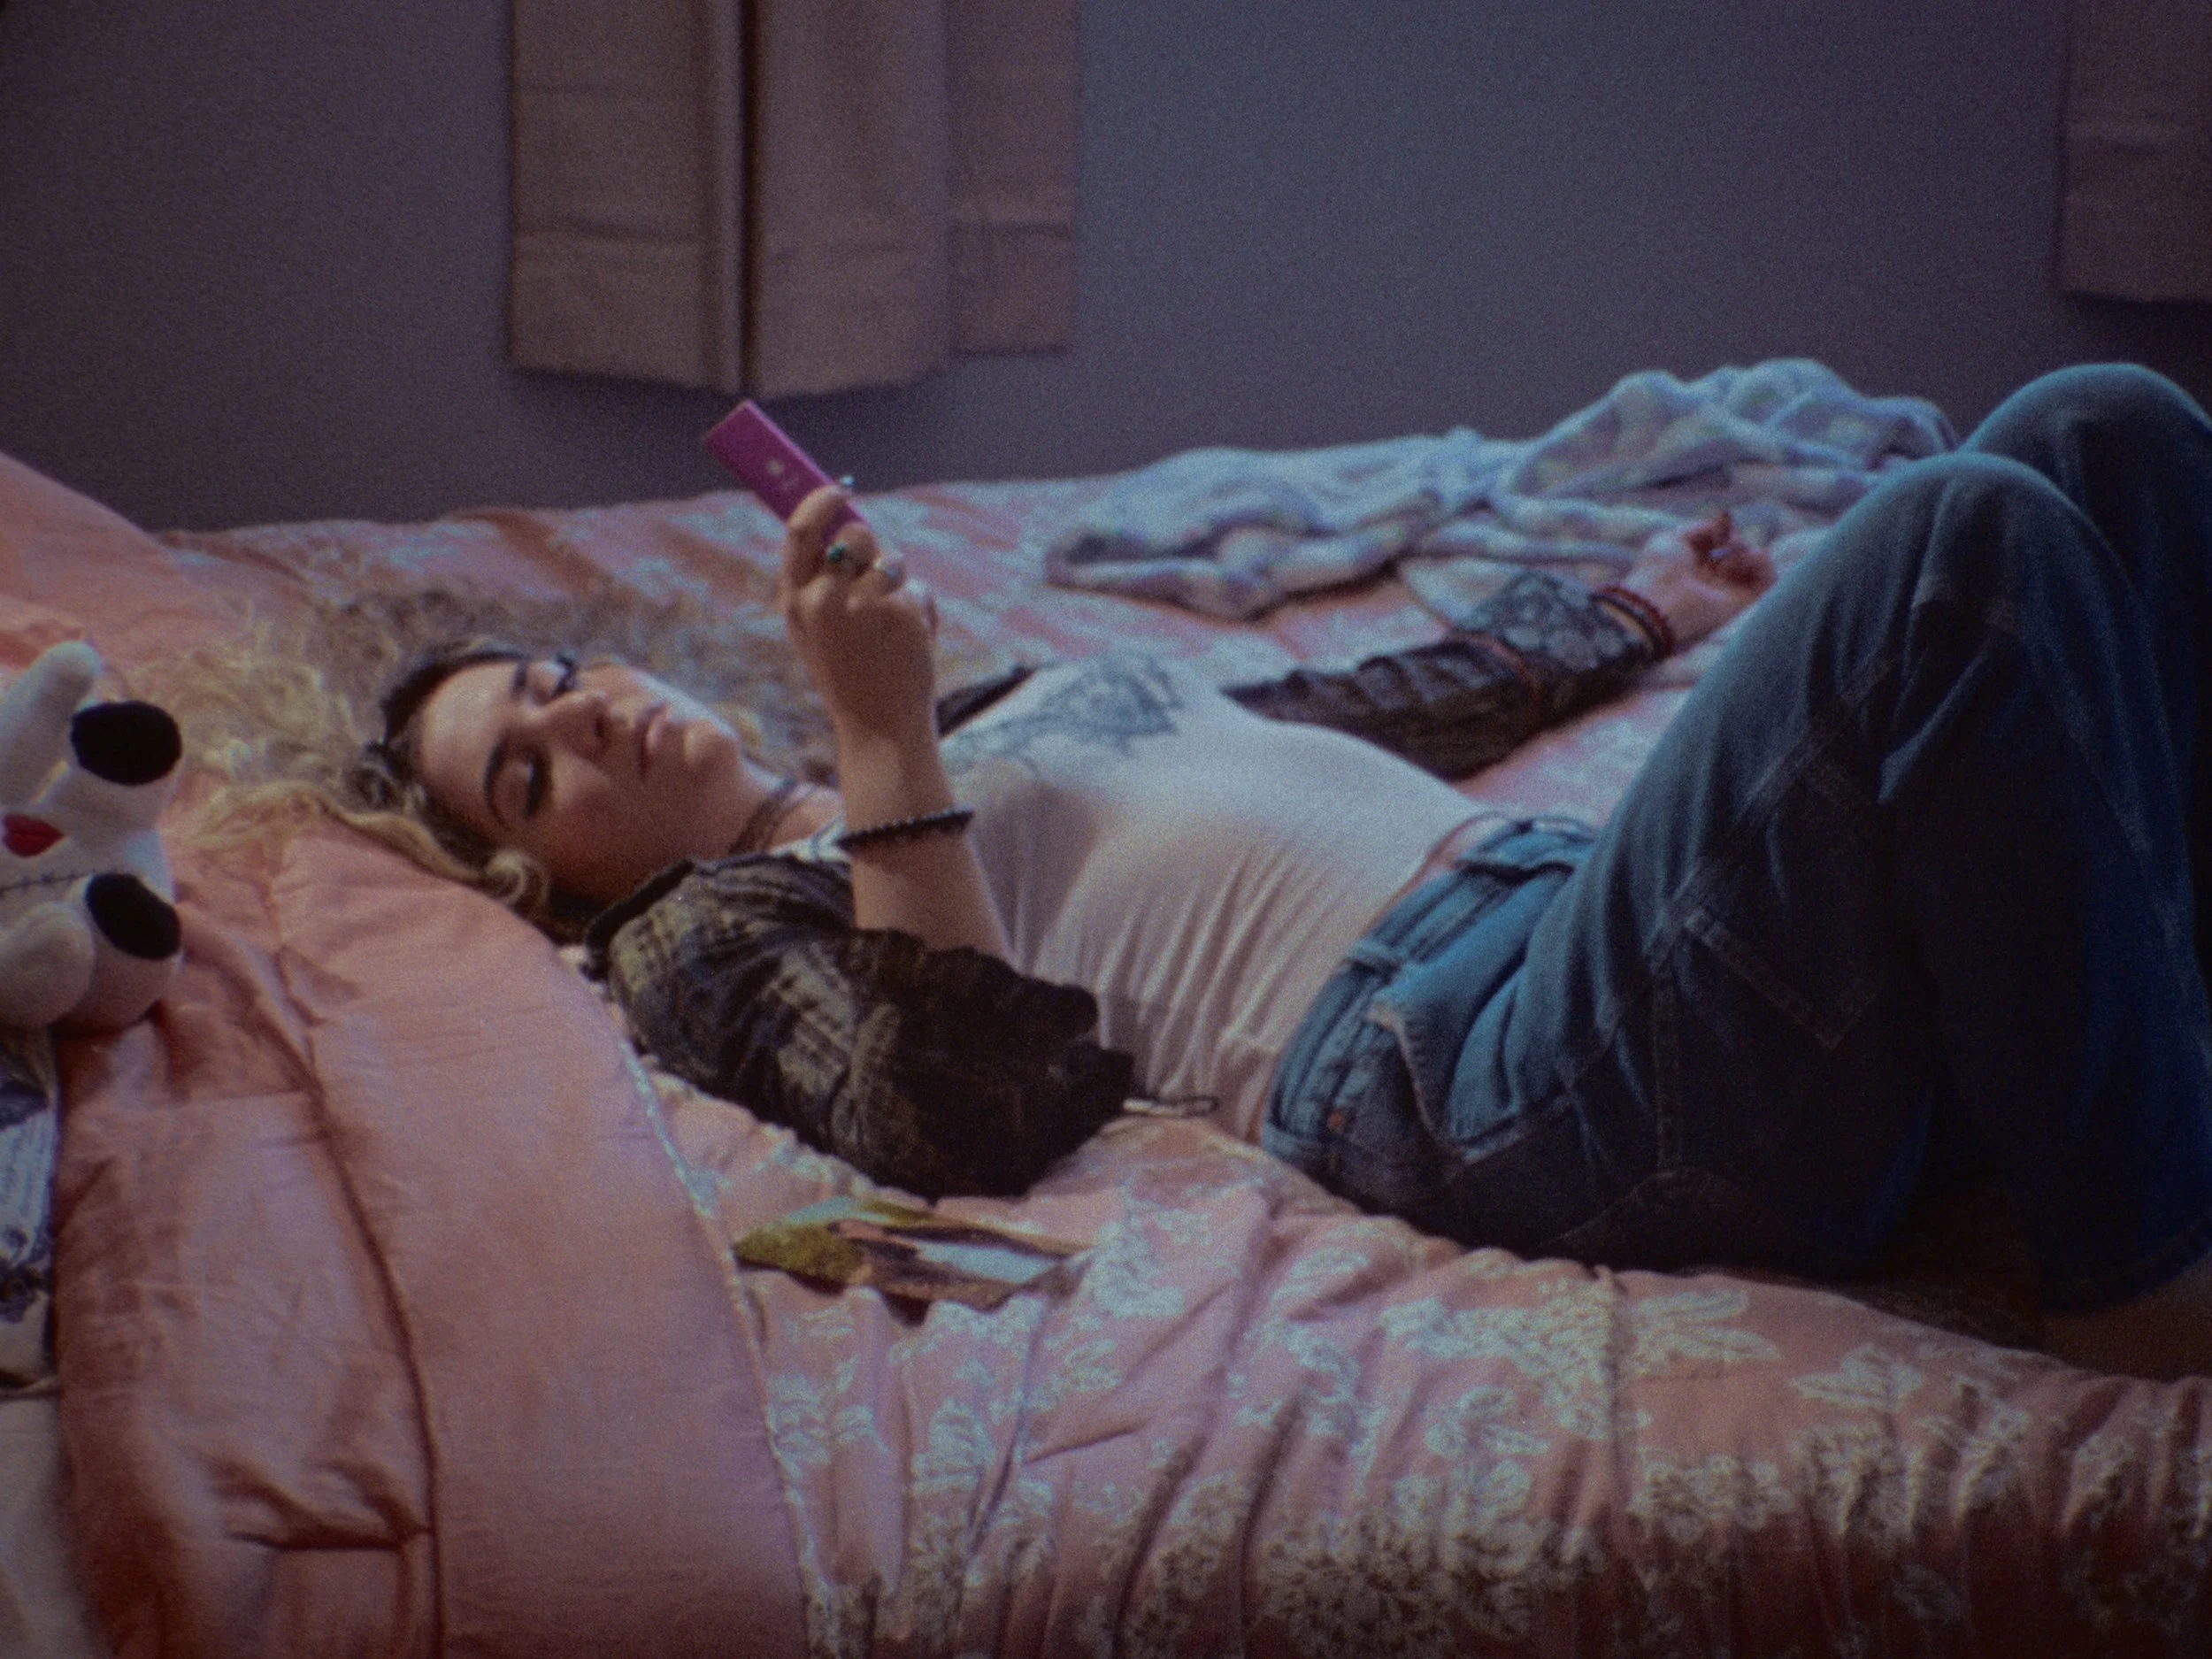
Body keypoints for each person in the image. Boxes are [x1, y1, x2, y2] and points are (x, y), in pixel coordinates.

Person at [361, 364, 2212, 1381]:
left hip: (1578, 906)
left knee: (2099, 433)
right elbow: (954, 1101)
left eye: (555, 677)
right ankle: (2136, 1276)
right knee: (1958, 543)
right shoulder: (698, 933)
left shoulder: (972, 702)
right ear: (549, 888)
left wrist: (1629, 613)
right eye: (527, 775)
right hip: (1479, 1063)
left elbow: (1326, 720)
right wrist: (877, 732)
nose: (581, 718)